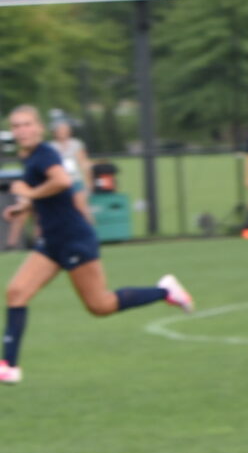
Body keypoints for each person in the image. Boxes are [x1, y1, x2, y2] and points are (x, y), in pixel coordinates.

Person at [2, 105, 192, 384]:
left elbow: (61, 181)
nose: (22, 130)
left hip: (74, 238)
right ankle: (9, 366)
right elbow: (46, 194)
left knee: (99, 305)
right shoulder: (29, 159)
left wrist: (29, 193)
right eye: (16, 126)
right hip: (52, 241)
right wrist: (25, 206)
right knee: (16, 292)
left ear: (39, 128)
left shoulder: (45, 154)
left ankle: (165, 291)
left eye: (27, 124)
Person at [48, 114, 94, 222]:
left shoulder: (76, 144)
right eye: (60, 129)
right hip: (60, 184)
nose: (62, 132)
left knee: (83, 210)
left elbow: (84, 163)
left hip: (75, 181)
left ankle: (91, 236)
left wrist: (89, 183)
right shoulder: (51, 147)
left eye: (64, 129)